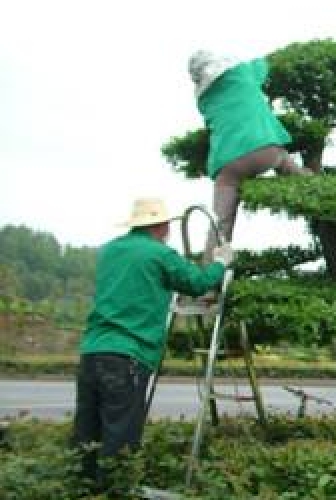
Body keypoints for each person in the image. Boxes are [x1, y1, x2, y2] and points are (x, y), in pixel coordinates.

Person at [72, 197, 233, 488]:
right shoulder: (160, 254)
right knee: (120, 437)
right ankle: (114, 492)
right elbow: (197, 284)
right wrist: (221, 263)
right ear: (160, 226)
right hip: (128, 356)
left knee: (86, 433)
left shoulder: (110, 251)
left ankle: (81, 489)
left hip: (92, 351)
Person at [188, 50, 314, 260]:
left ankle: (208, 283)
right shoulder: (242, 72)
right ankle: (304, 178)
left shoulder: (203, 100)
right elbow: (263, 65)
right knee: (281, 156)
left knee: (221, 223)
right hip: (264, 151)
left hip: (228, 164)